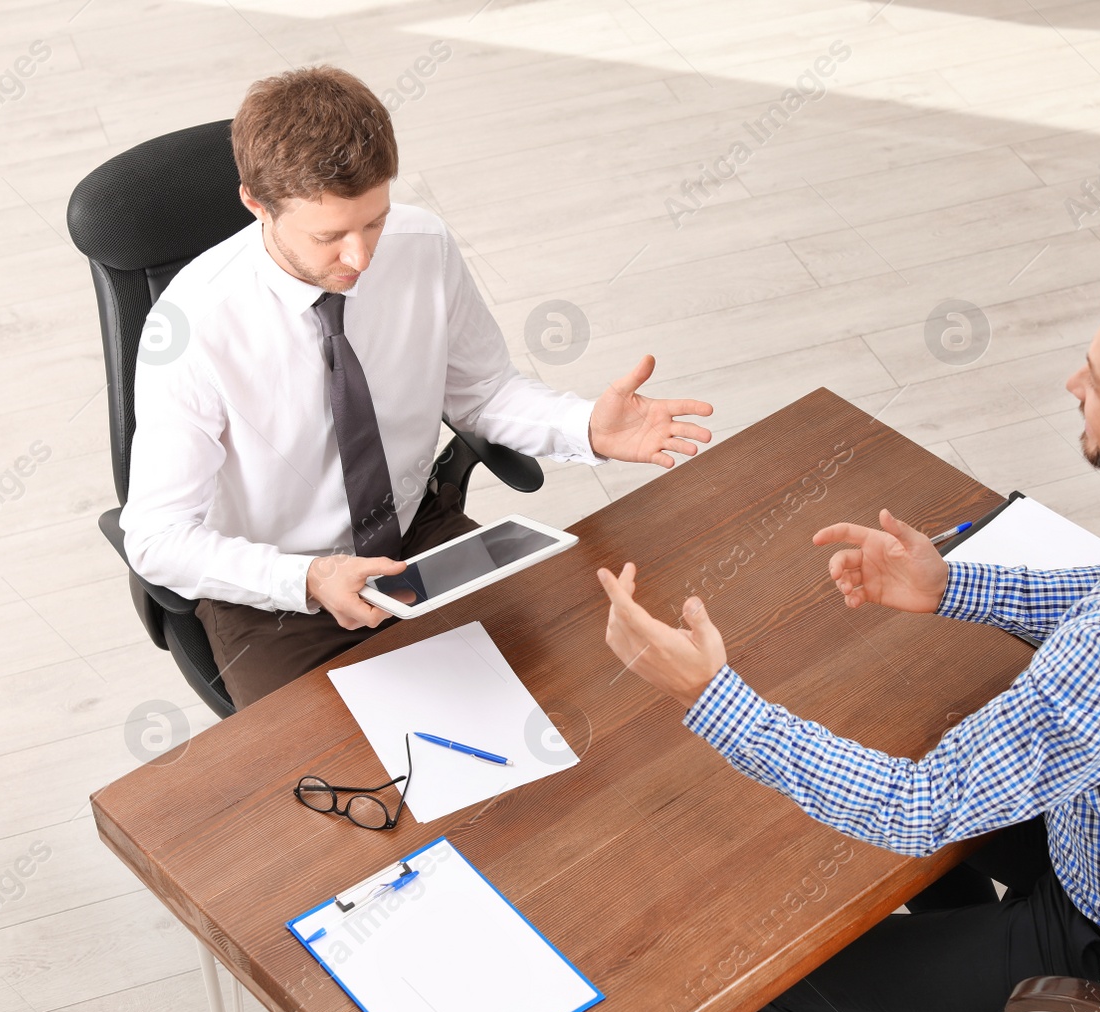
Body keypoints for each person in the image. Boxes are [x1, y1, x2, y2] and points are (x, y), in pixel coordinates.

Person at [595, 255, 1100, 1012]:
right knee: (909, 742)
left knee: (776, 977)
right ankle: (951, 973)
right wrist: (950, 584)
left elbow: (921, 806)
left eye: (1098, 380)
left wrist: (708, 693)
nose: (1071, 385)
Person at [121, 65, 712, 709]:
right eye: (329, 236)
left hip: (413, 539)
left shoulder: (420, 244)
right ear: (257, 204)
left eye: (372, 222)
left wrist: (584, 428)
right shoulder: (190, 328)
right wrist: (311, 578)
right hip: (278, 589)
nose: (361, 258)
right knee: (325, 784)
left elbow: (482, 393)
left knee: (572, 693)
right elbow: (156, 537)